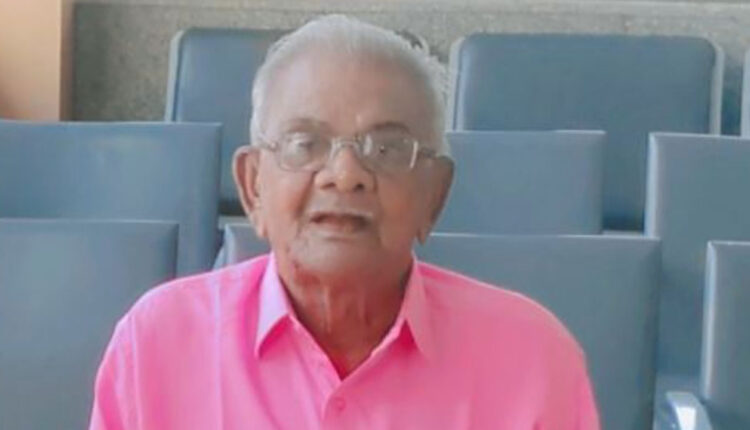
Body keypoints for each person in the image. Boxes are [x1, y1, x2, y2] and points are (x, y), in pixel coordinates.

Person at [89, 15, 599, 430]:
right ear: (252, 186)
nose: (345, 174)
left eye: (387, 148)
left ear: (435, 196)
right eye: (304, 143)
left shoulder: (531, 357)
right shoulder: (158, 343)